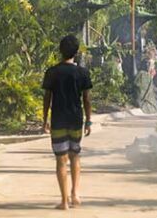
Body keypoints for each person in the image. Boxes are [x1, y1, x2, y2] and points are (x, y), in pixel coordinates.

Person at [42, 34, 93, 211]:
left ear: (60, 51)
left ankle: (64, 202)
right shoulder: (82, 73)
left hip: (58, 120)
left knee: (61, 160)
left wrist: (44, 119)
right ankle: (75, 195)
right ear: (76, 52)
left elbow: (47, 98)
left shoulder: (52, 72)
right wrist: (89, 121)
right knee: (75, 155)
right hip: (76, 120)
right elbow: (87, 99)